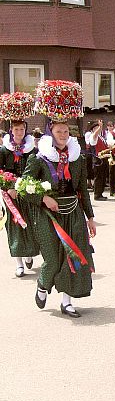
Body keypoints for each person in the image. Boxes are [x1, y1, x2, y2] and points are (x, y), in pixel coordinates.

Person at [25, 80, 96, 317]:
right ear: (50, 133)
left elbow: (83, 190)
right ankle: (43, 285)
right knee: (53, 260)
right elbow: (24, 186)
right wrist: (44, 198)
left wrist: (91, 217)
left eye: (66, 131)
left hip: (73, 211)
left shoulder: (78, 159)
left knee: (73, 257)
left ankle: (67, 301)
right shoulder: (38, 158)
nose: (63, 135)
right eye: (59, 131)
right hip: (47, 214)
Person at [0, 94, 39, 277]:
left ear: (26, 130)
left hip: (27, 190)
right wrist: (8, 187)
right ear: (11, 131)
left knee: (31, 223)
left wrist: (29, 186)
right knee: (14, 225)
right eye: (16, 129)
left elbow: (37, 169)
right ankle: (19, 263)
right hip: (10, 193)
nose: (19, 132)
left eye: (22, 129)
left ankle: (30, 252)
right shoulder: (3, 150)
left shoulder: (32, 149)